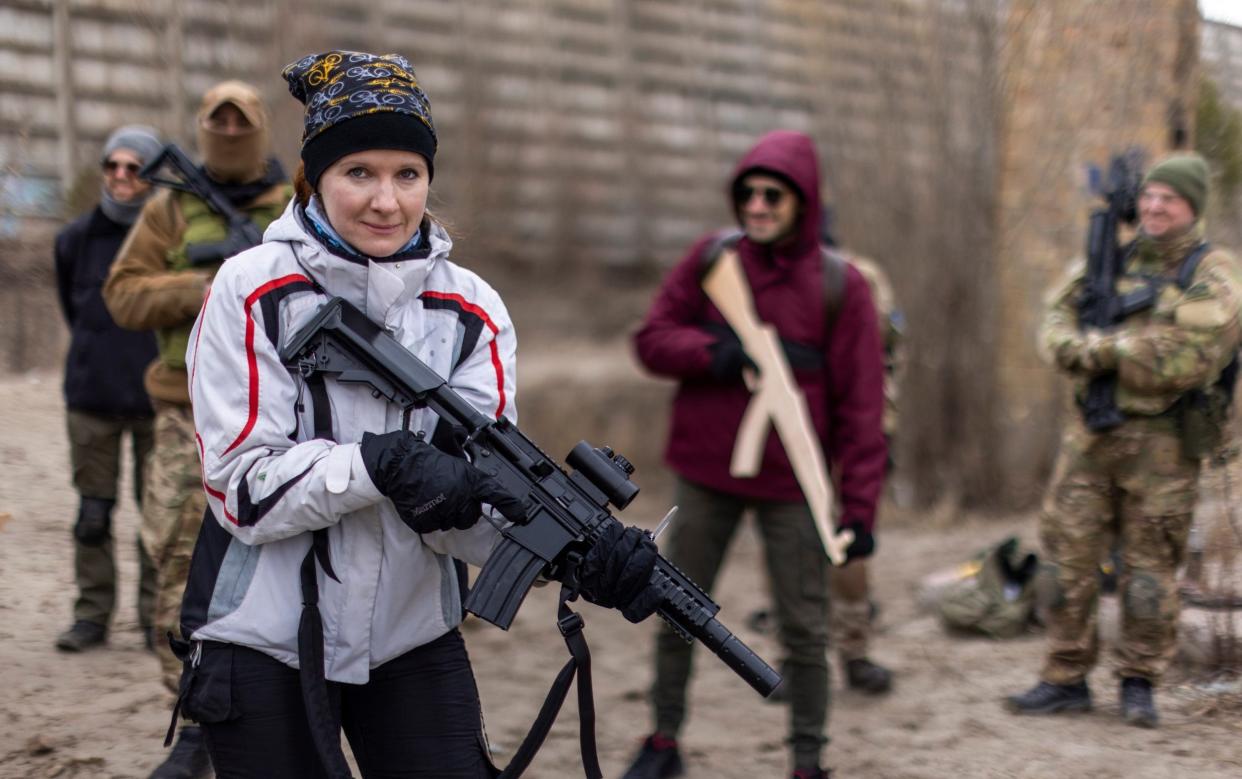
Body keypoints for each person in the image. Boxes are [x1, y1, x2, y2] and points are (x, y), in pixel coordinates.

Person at [170, 50, 661, 778]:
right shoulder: (251, 290)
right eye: (357, 172)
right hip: (261, 636)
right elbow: (243, 487)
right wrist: (379, 463)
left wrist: (577, 557)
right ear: (315, 176)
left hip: (410, 635)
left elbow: (471, 514)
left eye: (408, 174)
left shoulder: (471, 310)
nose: (386, 200)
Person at [622, 130, 888, 779]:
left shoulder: (841, 285)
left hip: (795, 482)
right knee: (676, 606)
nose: (759, 205)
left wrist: (859, 510)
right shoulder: (711, 260)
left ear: (804, 201)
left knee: (805, 626)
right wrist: (716, 353)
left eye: (774, 194)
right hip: (706, 472)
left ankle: (806, 759)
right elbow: (652, 340)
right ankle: (663, 741)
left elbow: (862, 407)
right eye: (748, 193)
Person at [1006, 152, 1242, 728]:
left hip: (1162, 445)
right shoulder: (1105, 260)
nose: (1156, 206)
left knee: (1148, 571)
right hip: (1090, 436)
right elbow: (1053, 326)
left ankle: (1139, 682)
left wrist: (1105, 350)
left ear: (1193, 208)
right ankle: (1064, 676)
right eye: (1151, 196)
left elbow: (1188, 358)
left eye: (1171, 198)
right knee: (1067, 559)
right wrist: (1096, 349)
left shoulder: (1214, 273)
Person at [103, 80, 291, 778]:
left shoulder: (293, 204)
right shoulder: (169, 209)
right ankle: (190, 720)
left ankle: (254, 712)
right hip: (185, 412)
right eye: (221, 123)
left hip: (276, 410)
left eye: (244, 123)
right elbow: (122, 293)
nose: (232, 134)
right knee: (177, 565)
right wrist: (205, 285)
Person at [53, 125, 163, 653]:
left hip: (155, 400)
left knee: (155, 518)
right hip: (90, 398)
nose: (121, 177)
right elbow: (73, 310)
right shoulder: (74, 239)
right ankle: (91, 616)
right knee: (92, 515)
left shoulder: (166, 237)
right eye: (112, 166)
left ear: (150, 176)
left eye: (134, 167)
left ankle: (151, 618)